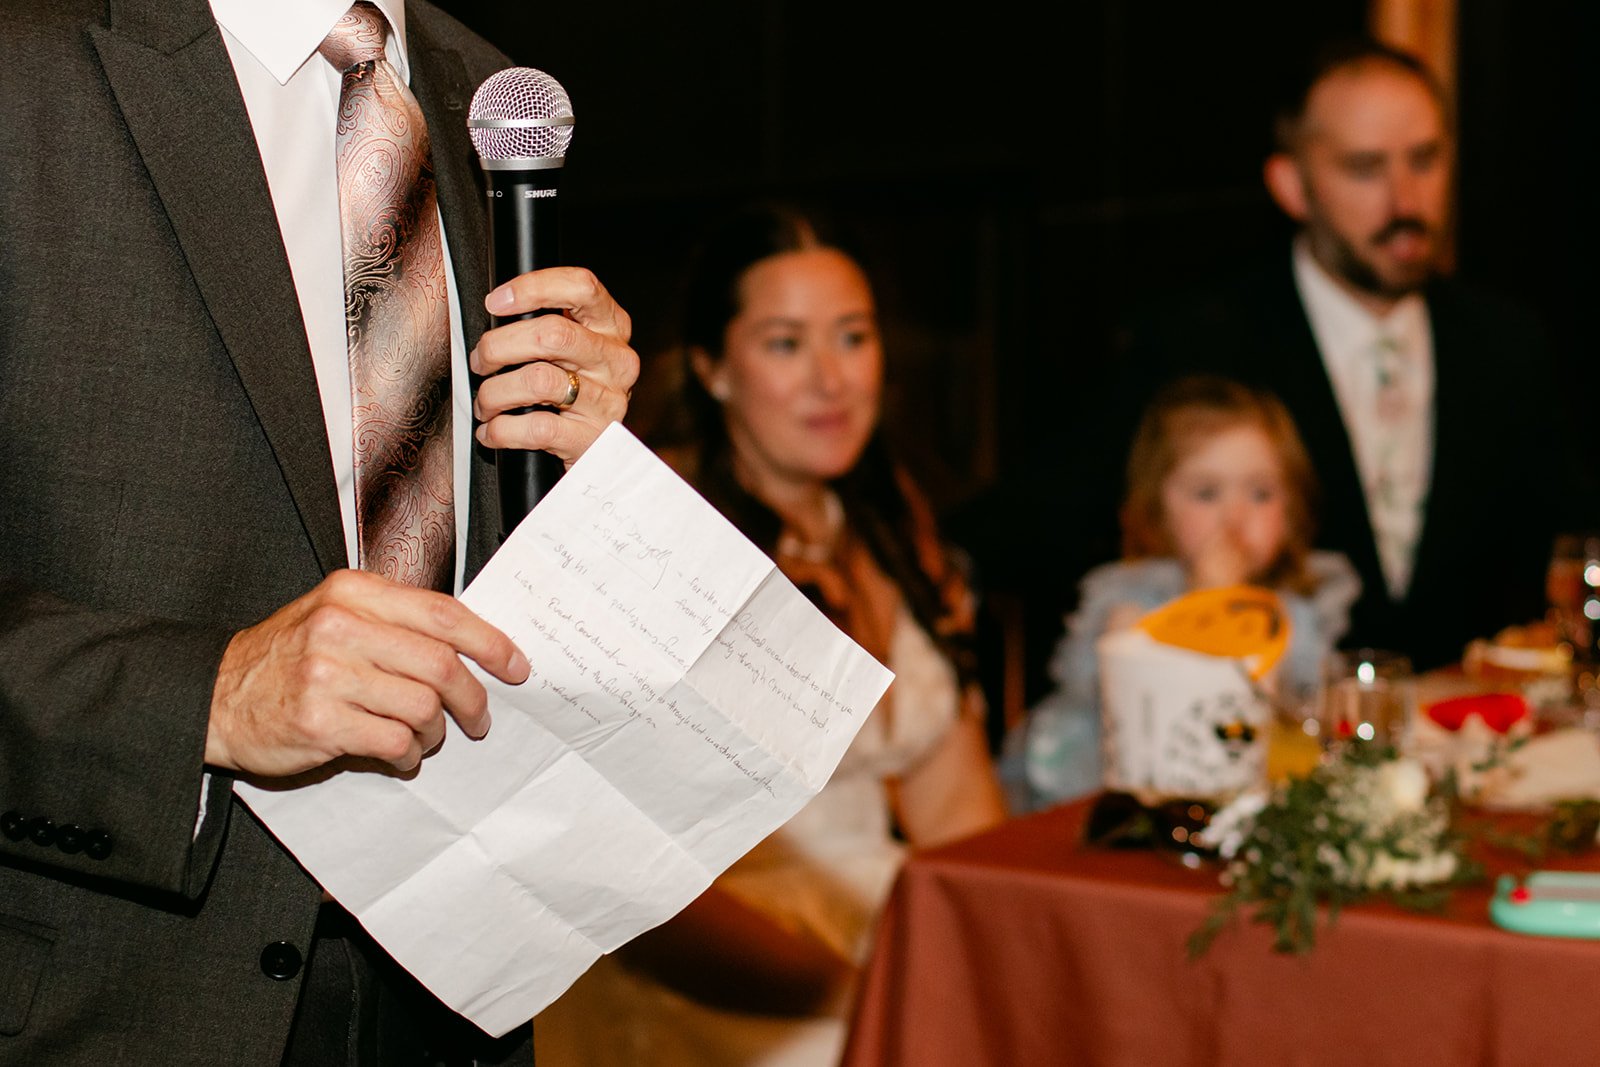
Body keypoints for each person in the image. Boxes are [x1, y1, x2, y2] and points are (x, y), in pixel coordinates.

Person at [0, 1, 638, 1063]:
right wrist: (207, 696)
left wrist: (587, 472)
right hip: (112, 999)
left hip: (454, 992)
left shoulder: (489, 92)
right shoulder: (26, 68)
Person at [533, 204, 1008, 1066]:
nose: (832, 380)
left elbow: (957, 815)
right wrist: (855, 995)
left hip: (882, 928)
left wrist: (984, 955)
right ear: (712, 368)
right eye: (786, 344)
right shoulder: (654, 539)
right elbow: (618, 867)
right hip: (715, 975)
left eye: (853, 337)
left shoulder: (889, 522)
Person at [1100, 36, 1584, 671]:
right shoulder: (1200, 344)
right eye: (1364, 167)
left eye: (1425, 159)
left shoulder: (1508, 341)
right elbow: (1075, 510)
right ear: (1292, 186)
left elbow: (1567, 532)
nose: (1407, 201)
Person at [1010, 376, 1360, 810]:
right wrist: (1213, 598)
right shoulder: (1131, 606)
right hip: (1129, 801)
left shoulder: (1295, 609)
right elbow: (1177, 715)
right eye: (1206, 493)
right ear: (1157, 508)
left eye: (1261, 493)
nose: (1235, 517)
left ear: (1291, 508)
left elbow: (1298, 715)